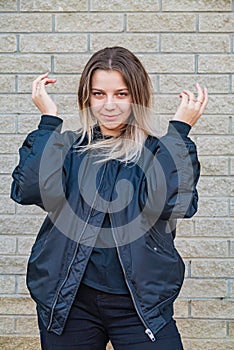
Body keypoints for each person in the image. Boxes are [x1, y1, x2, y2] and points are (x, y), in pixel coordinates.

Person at [11, 46, 208, 350]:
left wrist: (180, 132)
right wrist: (48, 120)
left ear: (137, 97)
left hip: (140, 307)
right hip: (71, 303)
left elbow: (172, 202)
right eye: (99, 94)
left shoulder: (157, 151)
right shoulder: (71, 148)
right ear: (87, 97)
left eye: (121, 94)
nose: (109, 106)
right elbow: (30, 190)